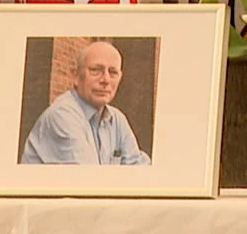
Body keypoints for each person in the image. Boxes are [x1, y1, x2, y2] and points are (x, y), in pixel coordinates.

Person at [21, 41, 151, 165]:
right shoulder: (62, 116)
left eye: (113, 72)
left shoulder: (117, 119)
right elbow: (89, 180)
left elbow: (139, 168)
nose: (105, 79)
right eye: (96, 70)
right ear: (76, 76)